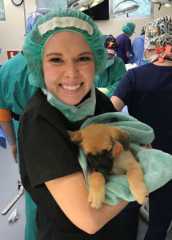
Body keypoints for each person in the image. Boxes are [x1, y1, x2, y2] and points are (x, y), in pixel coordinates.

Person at [18, 9, 140, 240]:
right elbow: (89, 219)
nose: (72, 73)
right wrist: (140, 177)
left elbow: (123, 142)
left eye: (83, 58)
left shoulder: (97, 100)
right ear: (38, 65)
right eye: (56, 59)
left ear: (97, 60)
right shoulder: (39, 121)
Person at [111, 16, 172, 240]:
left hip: (139, 154)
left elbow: (110, 111)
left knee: (129, 208)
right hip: (168, 163)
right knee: (160, 220)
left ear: (150, 43)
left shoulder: (134, 76)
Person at [0, 10, 47, 240]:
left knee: (31, 188)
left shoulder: (6, 69)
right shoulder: (51, 65)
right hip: (53, 130)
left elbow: (3, 115)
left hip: (21, 132)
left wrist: (12, 143)